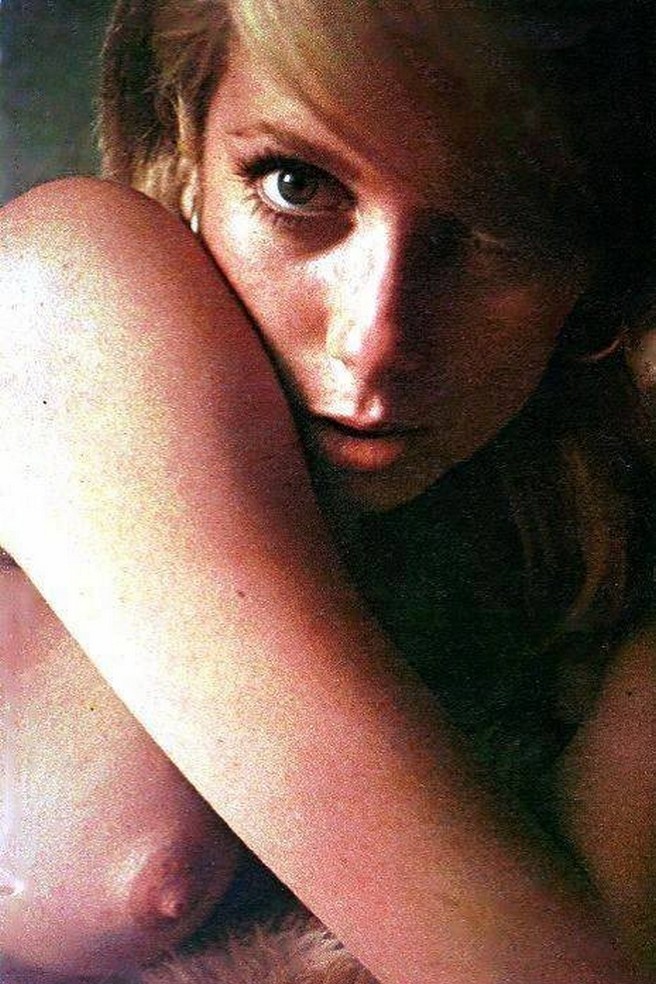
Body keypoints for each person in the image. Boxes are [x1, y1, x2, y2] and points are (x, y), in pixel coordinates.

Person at [0, 0, 654, 981]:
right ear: (182, 134)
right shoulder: (64, 287)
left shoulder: (603, 557)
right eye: (295, 185)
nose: (374, 340)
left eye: (497, 230)